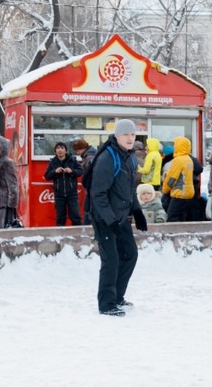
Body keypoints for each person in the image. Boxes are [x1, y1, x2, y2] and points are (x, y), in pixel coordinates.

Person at [88, 119, 147, 317]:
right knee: (111, 259)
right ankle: (106, 304)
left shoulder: (130, 158)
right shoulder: (107, 158)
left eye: (133, 135)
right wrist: (110, 220)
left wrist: (137, 211)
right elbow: (97, 194)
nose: (130, 138)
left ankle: (118, 297)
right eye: (126, 135)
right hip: (104, 217)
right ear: (117, 136)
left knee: (130, 254)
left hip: (120, 216)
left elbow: (130, 190)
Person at [44, 141, 83, 226]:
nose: (60, 150)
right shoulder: (53, 162)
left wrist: (72, 171)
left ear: (65, 150)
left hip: (72, 194)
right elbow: (47, 176)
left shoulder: (72, 160)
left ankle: (78, 235)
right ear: (55, 151)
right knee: (60, 217)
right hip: (59, 194)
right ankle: (60, 237)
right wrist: (55, 171)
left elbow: (80, 171)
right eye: (58, 148)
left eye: (62, 148)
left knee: (75, 216)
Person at [161, 136, 196, 222]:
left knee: (172, 218)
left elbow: (172, 178)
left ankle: (173, 235)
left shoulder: (178, 160)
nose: (174, 147)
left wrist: (165, 190)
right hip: (188, 193)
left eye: (175, 145)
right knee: (181, 218)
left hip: (179, 193)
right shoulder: (188, 159)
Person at [73, 139, 97, 225]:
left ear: (82, 148)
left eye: (78, 150)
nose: (77, 152)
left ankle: (87, 230)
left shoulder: (89, 158)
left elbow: (91, 174)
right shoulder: (89, 156)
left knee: (88, 210)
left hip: (92, 189)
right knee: (89, 210)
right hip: (92, 189)